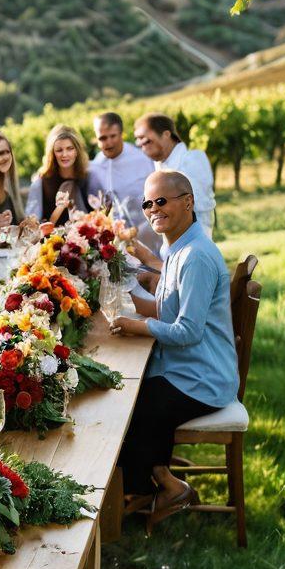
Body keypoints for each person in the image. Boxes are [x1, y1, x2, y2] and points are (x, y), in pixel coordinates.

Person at [111, 170, 239, 516]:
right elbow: (167, 309)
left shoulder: (195, 256)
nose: (153, 209)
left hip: (204, 377)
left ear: (188, 202)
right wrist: (122, 296)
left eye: (161, 201)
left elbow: (187, 331)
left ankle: (144, 491)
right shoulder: (177, 247)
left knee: (134, 407)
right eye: (147, 204)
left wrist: (138, 327)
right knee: (129, 393)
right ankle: (154, 485)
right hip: (185, 365)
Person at [134, 112, 215, 237]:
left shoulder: (192, 160)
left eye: (146, 141)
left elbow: (199, 208)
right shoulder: (159, 165)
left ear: (166, 134)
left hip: (193, 240)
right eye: (139, 142)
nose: (141, 145)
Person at [90, 111, 156, 248]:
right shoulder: (96, 166)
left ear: (121, 134)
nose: (109, 142)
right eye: (102, 138)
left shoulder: (143, 159)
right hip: (117, 244)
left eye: (113, 136)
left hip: (149, 235)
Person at [26, 124, 93, 225]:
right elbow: (33, 221)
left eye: (69, 148)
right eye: (59, 150)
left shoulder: (88, 177)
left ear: (77, 151)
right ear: (53, 152)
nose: (64, 154)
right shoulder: (42, 181)